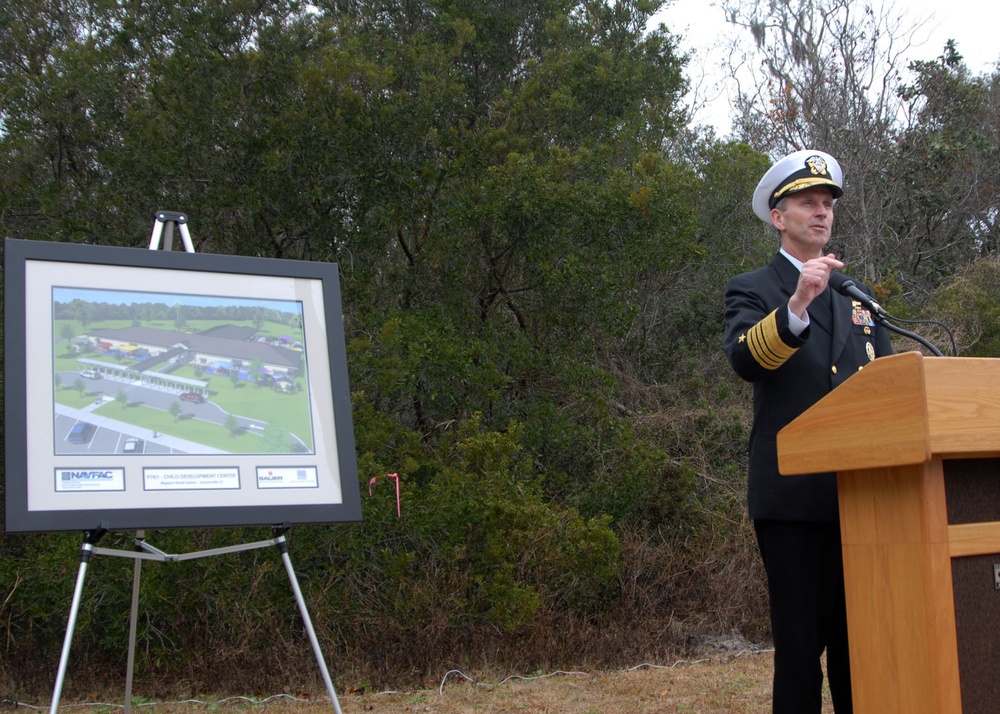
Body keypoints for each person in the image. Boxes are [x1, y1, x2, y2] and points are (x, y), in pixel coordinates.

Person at [722, 149, 892, 714]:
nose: (821, 212)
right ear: (779, 217)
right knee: (799, 653)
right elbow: (745, 360)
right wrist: (797, 304)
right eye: (808, 203)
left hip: (862, 497)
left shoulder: (855, 295)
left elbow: (888, 384)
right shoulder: (754, 287)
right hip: (793, 499)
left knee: (858, 649)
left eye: (827, 204)